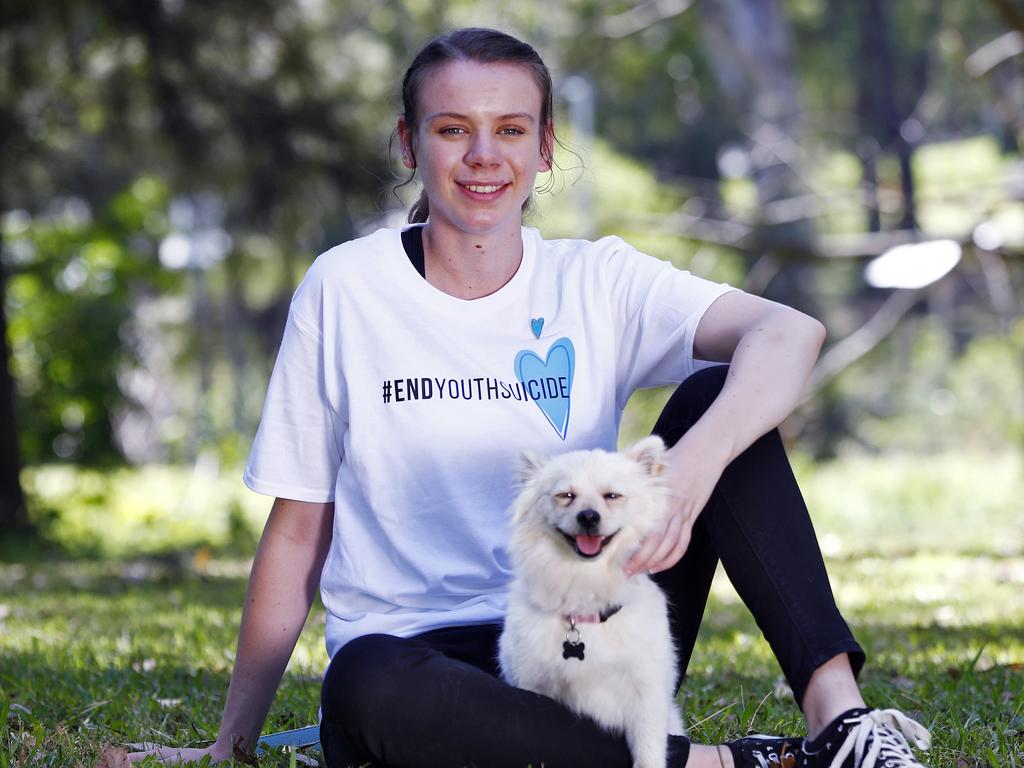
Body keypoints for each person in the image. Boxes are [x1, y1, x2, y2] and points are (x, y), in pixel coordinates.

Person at [128, 27, 934, 768]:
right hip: (421, 663)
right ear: (410, 143)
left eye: (511, 129)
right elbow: (300, 529)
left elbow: (789, 334)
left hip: (590, 635)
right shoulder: (345, 290)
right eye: (453, 129)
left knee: (724, 397)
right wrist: (230, 745)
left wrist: (688, 470)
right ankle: (728, 763)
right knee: (363, 682)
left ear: (544, 149)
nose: (484, 155)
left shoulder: (597, 279)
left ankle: (842, 725)